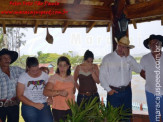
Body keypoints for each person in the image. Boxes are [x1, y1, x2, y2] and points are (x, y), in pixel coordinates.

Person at [99, 36, 142, 121]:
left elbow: (138, 69)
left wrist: (128, 57)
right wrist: (108, 90)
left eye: (123, 47)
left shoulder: (130, 59)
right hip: (113, 92)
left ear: (127, 48)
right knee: (113, 118)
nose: (120, 48)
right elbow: (102, 76)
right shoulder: (108, 58)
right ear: (117, 45)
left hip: (127, 92)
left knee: (126, 117)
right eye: (119, 45)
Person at [16, 57, 53, 122]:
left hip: (43, 103)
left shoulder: (45, 76)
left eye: (37, 69)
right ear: (28, 68)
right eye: (33, 70)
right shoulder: (23, 77)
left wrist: (50, 97)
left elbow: (49, 88)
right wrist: (34, 104)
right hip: (28, 105)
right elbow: (19, 95)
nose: (35, 72)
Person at [43, 56, 75, 122]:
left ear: (68, 66)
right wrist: (59, 92)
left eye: (64, 65)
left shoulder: (71, 77)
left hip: (71, 108)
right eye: (60, 65)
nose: (62, 68)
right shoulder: (54, 78)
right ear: (57, 66)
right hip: (58, 109)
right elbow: (45, 92)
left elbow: (73, 91)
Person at [140, 34, 163, 122]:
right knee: (153, 116)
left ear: (160, 45)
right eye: (151, 44)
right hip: (150, 92)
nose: (154, 45)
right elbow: (141, 72)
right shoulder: (144, 58)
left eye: (156, 43)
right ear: (149, 46)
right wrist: (151, 79)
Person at [0, 48, 24, 122]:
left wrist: (41, 69)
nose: (7, 60)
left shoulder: (16, 70)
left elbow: (30, 73)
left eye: (9, 58)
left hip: (14, 105)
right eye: (5, 58)